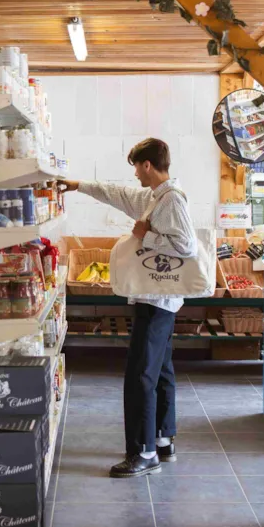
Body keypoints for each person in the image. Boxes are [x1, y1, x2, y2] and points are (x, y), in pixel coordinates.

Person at [61, 138, 197, 478]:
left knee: (140, 378)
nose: (135, 173)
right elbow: (116, 193)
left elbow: (188, 246)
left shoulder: (170, 201)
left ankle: (143, 453)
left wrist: (146, 236)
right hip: (159, 300)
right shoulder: (156, 198)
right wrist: (77, 185)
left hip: (155, 302)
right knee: (161, 372)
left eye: (136, 166)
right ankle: (163, 442)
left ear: (147, 165)